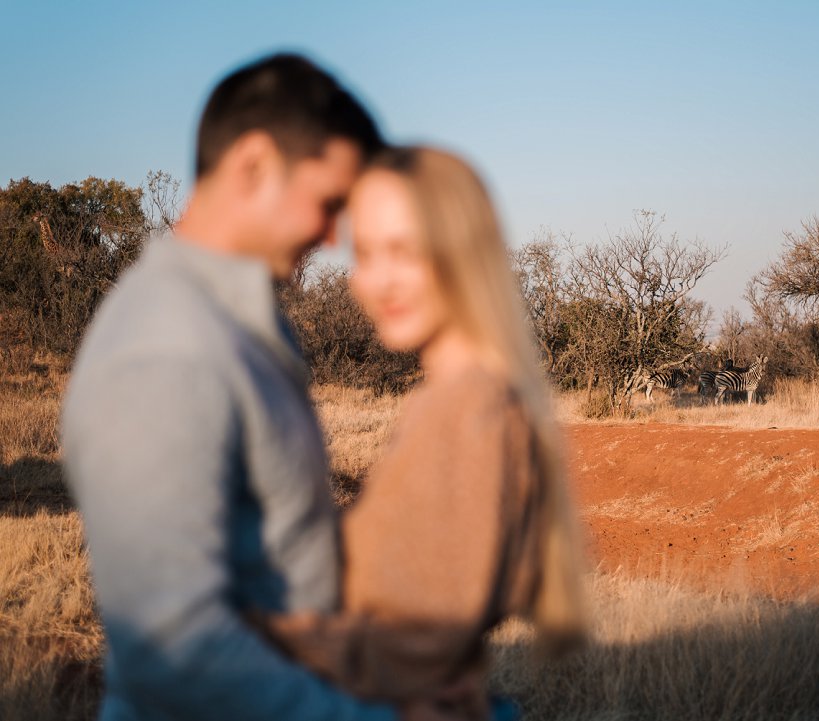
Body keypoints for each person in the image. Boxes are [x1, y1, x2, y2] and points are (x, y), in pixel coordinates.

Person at [61, 53, 401, 721]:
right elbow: (172, 648)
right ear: (253, 165)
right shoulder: (167, 349)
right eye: (329, 204)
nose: (335, 236)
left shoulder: (237, 324)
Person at [258, 146, 589, 718]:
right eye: (364, 254)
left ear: (462, 251)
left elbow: (419, 644)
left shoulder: (467, 408)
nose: (376, 281)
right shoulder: (473, 396)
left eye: (404, 251)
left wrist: (246, 631)